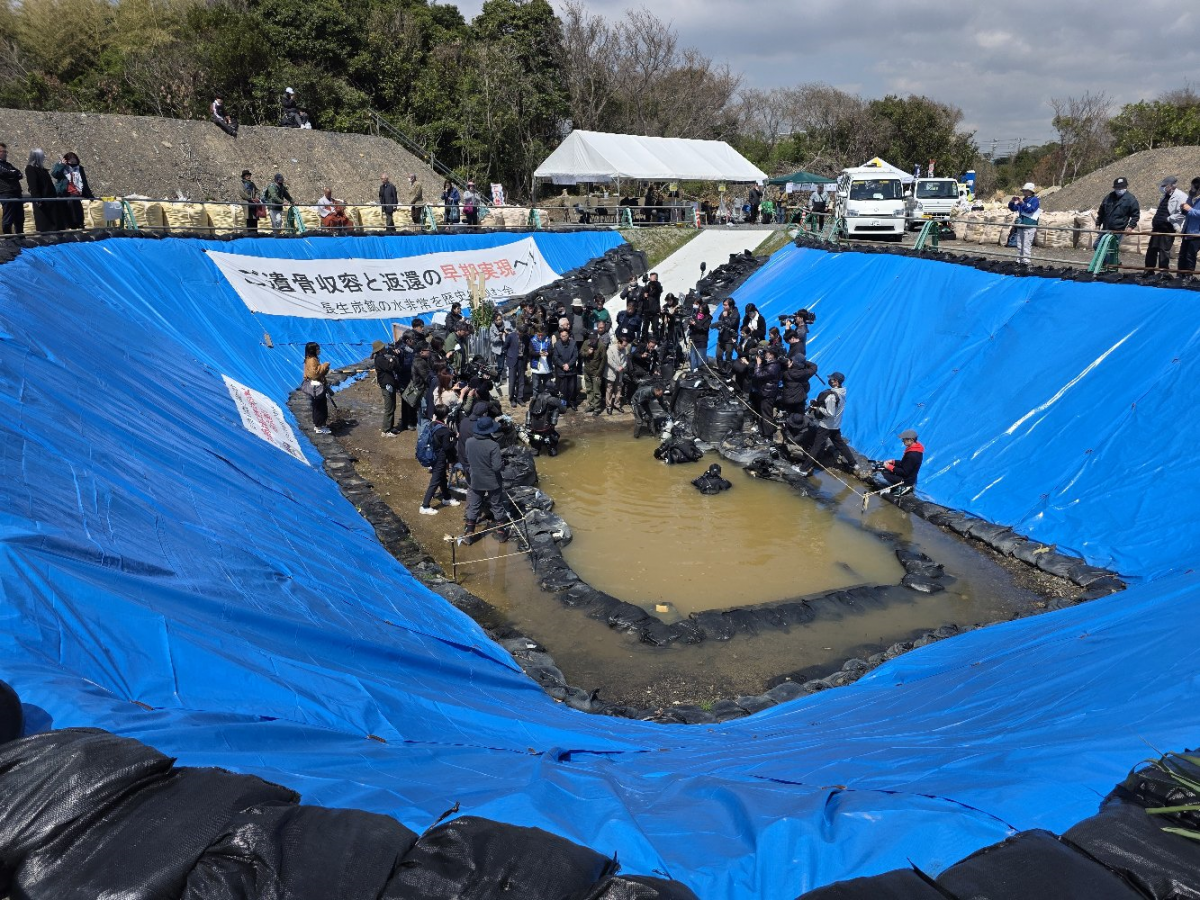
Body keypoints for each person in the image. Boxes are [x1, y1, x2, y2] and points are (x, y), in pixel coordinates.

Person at [461, 416, 508, 545]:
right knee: (497, 505)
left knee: (474, 505)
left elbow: (469, 458)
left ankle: (469, 534)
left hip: (475, 479)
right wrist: (504, 463)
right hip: (492, 481)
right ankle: (501, 534)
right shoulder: (493, 445)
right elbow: (497, 467)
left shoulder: (469, 442)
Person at [798, 371, 853, 477]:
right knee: (840, 444)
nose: (830, 381)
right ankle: (853, 464)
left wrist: (817, 408)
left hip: (827, 425)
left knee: (816, 447)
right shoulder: (842, 393)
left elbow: (830, 413)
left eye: (832, 379)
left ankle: (804, 468)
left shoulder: (832, 396)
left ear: (836, 382)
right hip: (836, 424)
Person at [418, 404, 460, 515]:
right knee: (435, 481)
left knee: (442, 478)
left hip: (431, 454)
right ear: (446, 415)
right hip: (440, 457)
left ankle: (446, 497)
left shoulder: (432, 424)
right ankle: (425, 506)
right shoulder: (445, 431)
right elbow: (447, 447)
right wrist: (455, 440)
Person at [1095, 177, 1140, 271]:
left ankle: (1111, 267)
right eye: (1117, 188)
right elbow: (1101, 211)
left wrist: (1130, 227)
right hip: (1106, 228)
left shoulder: (1131, 199)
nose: (1119, 190)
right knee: (1096, 245)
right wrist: (1098, 224)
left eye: (1121, 188)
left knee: (1112, 250)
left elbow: (1135, 215)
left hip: (1118, 229)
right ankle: (1114, 263)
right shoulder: (1109, 197)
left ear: (1126, 187)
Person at [1145, 176, 1187, 272]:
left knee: (1164, 250)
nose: (1162, 187)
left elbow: (1182, 213)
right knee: (1152, 249)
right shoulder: (1165, 196)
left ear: (1172, 186)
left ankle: (1163, 273)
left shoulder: (1181, 196)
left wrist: (1168, 219)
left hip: (1168, 227)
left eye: (1164, 185)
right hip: (1157, 227)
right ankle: (1148, 271)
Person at [50, 152, 92, 229]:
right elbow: (55, 174)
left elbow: (84, 181)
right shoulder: (61, 167)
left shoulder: (79, 169)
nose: (73, 164)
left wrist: (89, 195)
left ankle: (77, 222)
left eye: (75, 162)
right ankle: (66, 224)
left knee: (72, 201)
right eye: (71, 162)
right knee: (62, 203)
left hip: (75, 190)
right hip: (63, 191)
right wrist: (61, 165)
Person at [372, 339, 403, 436]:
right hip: (386, 385)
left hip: (390, 384)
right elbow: (390, 367)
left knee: (392, 406)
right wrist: (393, 358)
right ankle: (385, 430)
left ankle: (390, 426)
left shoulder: (381, 357)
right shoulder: (380, 359)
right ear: (380, 349)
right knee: (389, 408)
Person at [24, 149, 58, 232]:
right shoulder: (30, 169)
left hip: (49, 197)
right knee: (44, 221)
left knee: (53, 220)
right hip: (42, 198)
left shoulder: (42, 169)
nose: (44, 157)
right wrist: (37, 198)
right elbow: (33, 185)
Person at [752, 346, 782, 439]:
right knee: (762, 413)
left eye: (767, 353)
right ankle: (762, 432)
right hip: (764, 392)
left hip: (768, 394)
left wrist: (758, 364)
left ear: (772, 355)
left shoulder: (773, 367)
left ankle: (768, 436)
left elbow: (758, 375)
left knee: (767, 415)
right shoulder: (770, 363)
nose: (765, 354)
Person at [1007, 183, 1040, 266]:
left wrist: (1022, 203)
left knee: (1026, 244)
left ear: (1030, 191)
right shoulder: (1023, 200)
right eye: (1023, 191)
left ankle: (1026, 261)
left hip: (1029, 225)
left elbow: (1030, 210)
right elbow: (1013, 208)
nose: (1024, 192)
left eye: (1025, 191)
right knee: (1019, 243)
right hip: (1021, 225)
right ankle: (1019, 260)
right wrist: (1012, 202)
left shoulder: (1035, 200)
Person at [582, 320, 610, 416]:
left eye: (593, 339)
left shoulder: (601, 346)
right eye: (590, 338)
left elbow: (603, 360)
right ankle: (591, 405)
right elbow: (581, 353)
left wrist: (599, 373)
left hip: (596, 372)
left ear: (596, 338)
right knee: (589, 389)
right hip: (587, 370)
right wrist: (587, 353)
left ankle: (597, 408)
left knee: (597, 391)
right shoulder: (586, 343)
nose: (591, 340)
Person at [303, 342, 331, 434]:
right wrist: (325, 366)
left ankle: (320, 424)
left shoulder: (312, 359)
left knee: (320, 405)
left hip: (317, 386)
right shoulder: (311, 360)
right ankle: (319, 426)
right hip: (316, 387)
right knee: (319, 407)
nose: (319, 350)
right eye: (318, 349)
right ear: (313, 350)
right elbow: (314, 374)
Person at [525, 388, 562, 456]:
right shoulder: (552, 399)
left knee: (535, 447)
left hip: (533, 427)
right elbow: (563, 410)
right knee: (552, 448)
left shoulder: (535, 398)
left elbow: (529, 411)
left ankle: (535, 449)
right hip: (546, 428)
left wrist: (527, 425)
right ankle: (551, 448)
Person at [0, 143, 25, 235]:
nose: (5, 153)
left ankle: (21, 236)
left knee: (20, 217)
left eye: (6, 151)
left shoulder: (8, 164)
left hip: (16, 193)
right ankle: (8, 238)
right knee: (8, 217)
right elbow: (5, 174)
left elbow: (19, 174)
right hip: (6, 193)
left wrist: (13, 173)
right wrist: (13, 174)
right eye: (3, 151)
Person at [551, 327, 579, 409]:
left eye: (565, 335)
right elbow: (555, 357)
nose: (564, 337)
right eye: (562, 336)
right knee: (562, 389)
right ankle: (563, 403)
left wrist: (568, 365)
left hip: (571, 369)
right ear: (560, 336)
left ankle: (572, 402)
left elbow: (575, 356)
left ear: (568, 335)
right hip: (561, 369)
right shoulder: (557, 345)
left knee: (572, 388)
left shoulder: (573, 343)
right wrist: (563, 365)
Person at [604, 335, 630, 413]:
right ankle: (608, 406)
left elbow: (626, 360)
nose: (624, 347)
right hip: (611, 372)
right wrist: (617, 367)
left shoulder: (624, 350)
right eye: (623, 345)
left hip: (620, 372)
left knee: (618, 390)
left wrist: (623, 366)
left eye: (625, 345)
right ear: (619, 342)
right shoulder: (611, 348)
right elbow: (609, 361)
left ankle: (617, 404)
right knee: (609, 390)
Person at [1179, 177, 1200, 275]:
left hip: (1196, 234)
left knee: (1190, 256)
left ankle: (1188, 276)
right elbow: (1188, 211)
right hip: (1187, 231)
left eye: (1193, 188)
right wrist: (1186, 204)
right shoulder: (1195, 199)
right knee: (1182, 255)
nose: (1191, 190)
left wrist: (1190, 209)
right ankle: (1180, 275)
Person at [503, 324, 528, 406]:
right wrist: (509, 355)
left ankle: (520, 398)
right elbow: (505, 347)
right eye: (520, 333)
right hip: (512, 360)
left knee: (521, 380)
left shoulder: (526, 337)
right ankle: (512, 399)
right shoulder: (511, 336)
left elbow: (527, 348)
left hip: (521, 360)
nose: (521, 334)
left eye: (523, 333)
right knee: (512, 380)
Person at [715, 298, 740, 371]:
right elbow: (720, 321)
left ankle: (727, 371)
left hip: (730, 339)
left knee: (728, 356)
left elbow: (732, 324)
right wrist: (718, 326)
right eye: (723, 305)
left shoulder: (736, 314)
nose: (723, 306)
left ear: (731, 306)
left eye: (725, 305)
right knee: (718, 355)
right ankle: (721, 369)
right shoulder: (723, 312)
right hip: (721, 337)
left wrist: (726, 317)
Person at [687, 300, 712, 370]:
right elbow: (691, 326)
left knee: (701, 356)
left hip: (701, 339)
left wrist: (695, 324)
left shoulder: (708, 318)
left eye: (701, 310)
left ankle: (701, 370)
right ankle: (693, 369)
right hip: (694, 338)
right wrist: (690, 323)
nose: (700, 311)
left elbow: (704, 328)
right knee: (693, 355)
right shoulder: (695, 315)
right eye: (699, 309)